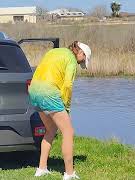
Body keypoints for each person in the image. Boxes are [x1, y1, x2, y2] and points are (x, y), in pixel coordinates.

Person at [29, 41, 91, 180]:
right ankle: (69, 174)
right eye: (83, 60)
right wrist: (66, 106)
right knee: (68, 132)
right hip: (48, 92)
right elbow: (68, 85)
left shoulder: (54, 52)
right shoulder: (71, 60)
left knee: (50, 130)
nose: (81, 64)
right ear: (80, 52)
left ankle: (41, 169)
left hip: (34, 91)